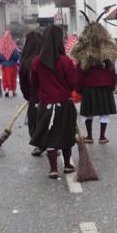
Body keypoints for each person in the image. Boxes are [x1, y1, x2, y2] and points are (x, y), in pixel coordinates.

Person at [29, 26, 79, 179]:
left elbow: (34, 82)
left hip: (45, 104)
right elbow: (73, 83)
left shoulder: (36, 62)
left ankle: (53, 168)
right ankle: (68, 165)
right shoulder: (65, 61)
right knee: (66, 134)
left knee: (49, 136)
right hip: (64, 104)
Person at [69, 22, 117, 143]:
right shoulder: (108, 47)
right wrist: (113, 84)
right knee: (104, 111)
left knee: (88, 112)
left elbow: (80, 71)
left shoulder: (83, 49)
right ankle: (102, 136)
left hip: (88, 85)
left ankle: (89, 136)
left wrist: (78, 88)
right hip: (105, 85)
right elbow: (111, 70)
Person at [18, 32, 43, 156]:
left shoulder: (25, 62)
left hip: (34, 96)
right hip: (48, 95)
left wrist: (28, 96)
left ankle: (38, 144)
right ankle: (51, 145)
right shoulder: (46, 59)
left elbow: (23, 83)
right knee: (48, 120)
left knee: (34, 120)